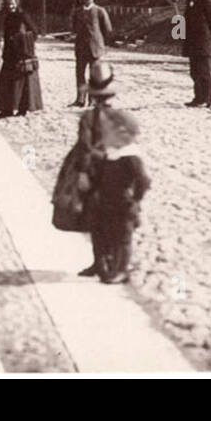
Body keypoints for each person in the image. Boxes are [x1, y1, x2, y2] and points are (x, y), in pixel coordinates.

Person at [71, 61, 144, 280]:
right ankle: (118, 265)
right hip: (120, 176)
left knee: (97, 220)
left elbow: (84, 148)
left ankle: (102, 262)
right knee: (121, 226)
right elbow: (133, 150)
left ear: (92, 95)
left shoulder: (88, 119)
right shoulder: (125, 119)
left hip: (97, 174)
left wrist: (82, 173)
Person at [0, 0, 43, 117]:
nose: (11, 6)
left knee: (22, 82)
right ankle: (7, 109)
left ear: (17, 3)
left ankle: (22, 109)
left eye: (13, 4)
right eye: (9, 4)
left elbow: (35, 32)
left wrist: (22, 40)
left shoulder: (23, 16)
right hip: (10, 53)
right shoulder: (7, 17)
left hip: (21, 54)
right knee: (7, 82)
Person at [68, 0, 112, 107]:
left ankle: (92, 100)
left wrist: (100, 43)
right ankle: (80, 100)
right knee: (80, 74)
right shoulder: (77, 12)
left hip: (95, 49)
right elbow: (74, 28)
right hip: (81, 48)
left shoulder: (100, 11)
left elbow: (107, 29)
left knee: (94, 75)